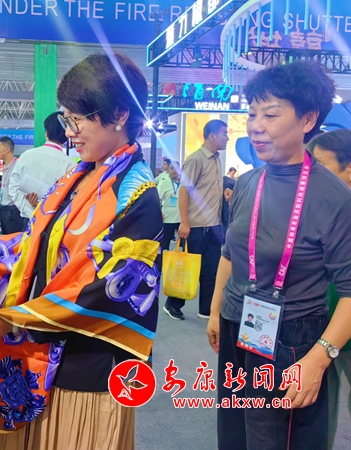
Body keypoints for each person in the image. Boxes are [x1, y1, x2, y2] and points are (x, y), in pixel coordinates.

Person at [0, 52, 163, 450]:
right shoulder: (78, 176)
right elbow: (33, 248)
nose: (70, 132)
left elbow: (105, 291)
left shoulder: (137, 195)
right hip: (42, 352)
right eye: (66, 119)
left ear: (119, 114)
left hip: (90, 367)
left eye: (78, 119)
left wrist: (10, 320)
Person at [206, 61, 351, 450]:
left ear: (308, 119)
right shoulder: (248, 182)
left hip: (292, 338)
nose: (256, 126)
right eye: (252, 113)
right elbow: (231, 253)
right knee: (235, 438)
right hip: (239, 325)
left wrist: (319, 358)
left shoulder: (333, 197)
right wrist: (218, 309)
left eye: (270, 115)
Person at [307, 128, 351, 449]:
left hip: (343, 329)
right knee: (317, 415)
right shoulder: (316, 208)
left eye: (320, 165)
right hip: (316, 326)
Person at [164, 119, 228, 320]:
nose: (227, 137)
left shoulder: (216, 159)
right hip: (197, 226)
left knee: (211, 270)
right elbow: (184, 191)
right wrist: (184, 221)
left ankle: (206, 309)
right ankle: (173, 304)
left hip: (214, 225)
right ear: (212, 136)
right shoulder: (196, 159)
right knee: (188, 268)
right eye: (224, 133)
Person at [8, 111, 76, 229]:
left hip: (28, 221)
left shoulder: (26, 155)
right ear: (67, 135)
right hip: (54, 225)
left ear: (46, 133)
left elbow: (13, 189)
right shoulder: (70, 165)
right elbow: (71, 200)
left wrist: (31, 211)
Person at [0, 137, 23, 234]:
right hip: (4, 209)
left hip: (13, 211)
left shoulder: (17, 166)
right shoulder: (6, 166)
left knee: (13, 239)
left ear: (7, 149)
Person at [157, 160, 182, 252]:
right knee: (165, 245)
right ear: (168, 170)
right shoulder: (164, 183)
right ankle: (164, 260)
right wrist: (160, 213)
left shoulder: (184, 183)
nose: (174, 171)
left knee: (184, 244)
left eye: (176, 169)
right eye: (172, 168)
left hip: (181, 219)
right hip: (167, 219)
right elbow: (157, 199)